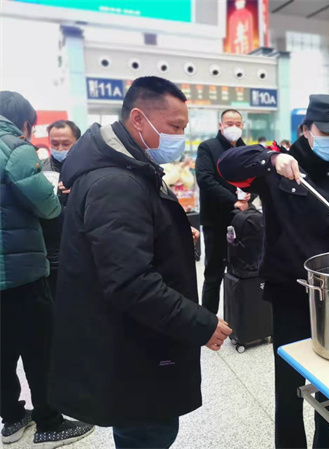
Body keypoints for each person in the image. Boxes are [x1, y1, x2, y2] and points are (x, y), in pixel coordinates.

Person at [49, 77, 232, 448]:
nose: (180, 137)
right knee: (148, 434)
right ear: (138, 119)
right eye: (175, 127)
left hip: (132, 340)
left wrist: (170, 233)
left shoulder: (128, 168)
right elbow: (130, 282)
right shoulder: (116, 182)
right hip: (132, 349)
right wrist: (202, 324)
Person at [218, 94, 329, 449]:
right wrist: (271, 158)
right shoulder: (279, 168)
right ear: (306, 129)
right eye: (326, 132)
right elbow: (226, 165)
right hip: (291, 294)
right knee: (290, 387)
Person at [0, 91, 94, 447]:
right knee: (40, 347)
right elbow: (47, 206)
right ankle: (50, 423)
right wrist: (55, 196)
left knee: (2, 350)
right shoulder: (16, 148)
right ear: (25, 123)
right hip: (20, 268)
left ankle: (11, 418)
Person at [195, 109, 250, 314]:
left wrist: (249, 196)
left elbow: (256, 178)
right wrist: (233, 201)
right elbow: (205, 180)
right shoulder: (208, 147)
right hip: (216, 220)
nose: (234, 127)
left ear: (242, 126)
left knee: (244, 271)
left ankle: (241, 318)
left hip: (243, 221)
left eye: (238, 124)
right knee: (214, 273)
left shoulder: (246, 149)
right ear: (221, 125)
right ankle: (208, 319)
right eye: (229, 124)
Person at [41, 119, 82, 299]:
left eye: (66, 144)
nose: (59, 148)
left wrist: (81, 189)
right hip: (48, 254)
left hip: (80, 252)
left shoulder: (88, 171)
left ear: (78, 142)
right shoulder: (39, 170)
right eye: (54, 143)